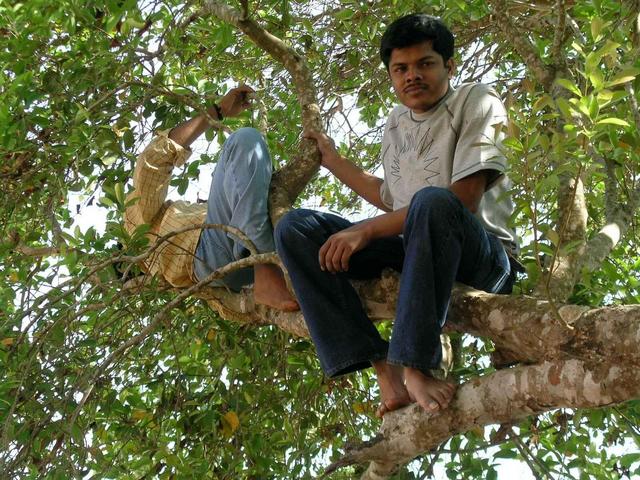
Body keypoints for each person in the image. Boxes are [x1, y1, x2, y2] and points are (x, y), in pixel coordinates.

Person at [275, 14, 518, 416]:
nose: (412, 76)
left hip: (484, 259)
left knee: (434, 201)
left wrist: (365, 231)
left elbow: (464, 198)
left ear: (449, 66)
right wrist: (332, 161)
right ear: (390, 74)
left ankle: (417, 365)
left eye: (425, 64)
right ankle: (383, 366)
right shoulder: (395, 123)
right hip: (416, 248)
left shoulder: (477, 100)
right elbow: (393, 200)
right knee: (295, 228)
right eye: (400, 69)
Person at [124, 85, 299, 312]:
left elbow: (221, 300)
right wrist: (218, 110)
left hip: (223, 271)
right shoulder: (133, 228)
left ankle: (270, 263)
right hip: (211, 249)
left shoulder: (166, 279)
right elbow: (153, 162)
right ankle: (265, 266)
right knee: (244, 140)